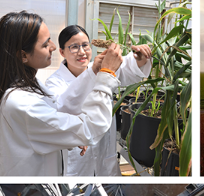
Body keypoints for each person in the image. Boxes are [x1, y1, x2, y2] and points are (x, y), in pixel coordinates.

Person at [0, 11, 123, 176]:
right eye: (45, 45)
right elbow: (89, 128)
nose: (52, 46)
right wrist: (106, 75)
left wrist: (94, 71)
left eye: (50, 39)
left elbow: (59, 108)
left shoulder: (30, 87)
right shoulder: (23, 103)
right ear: (23, 55)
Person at [45, 25, 152, 176]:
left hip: (104, 154)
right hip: (78, 160)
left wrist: (139, 58)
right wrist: (94, 72)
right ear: (62, 52)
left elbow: (125, 68)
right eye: (74, 47)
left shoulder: (100, 69)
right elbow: (63, 107)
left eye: (85, 45)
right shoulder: (54, 83)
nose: (82, 52)